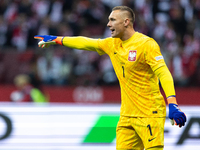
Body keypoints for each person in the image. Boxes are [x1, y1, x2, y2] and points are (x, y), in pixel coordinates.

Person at [34, 6, 186, 150]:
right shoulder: (112, 44)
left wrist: (172, 103)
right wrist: (56, 39)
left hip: (149, 113)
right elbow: (86, 42)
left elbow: (164, 73)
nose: (108, 24)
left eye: (113, 20)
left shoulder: (146, 44)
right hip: (126, 117)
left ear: (126, 22)